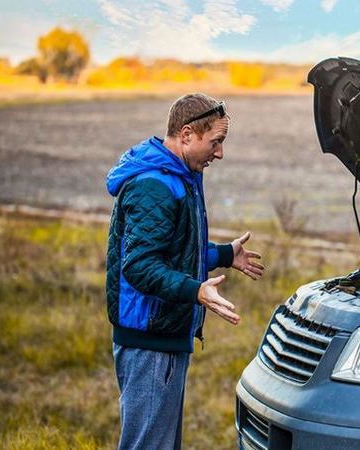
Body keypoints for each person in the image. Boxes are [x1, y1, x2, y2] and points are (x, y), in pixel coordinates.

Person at [104, 93, 264, 449]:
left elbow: (173, 252)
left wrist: (224, 254)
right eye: (216, 142)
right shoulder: (155, 185)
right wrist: (196, 290)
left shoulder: (178, 177)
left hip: (163, 335)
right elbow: (141, 267)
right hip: (150, 340)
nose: (220, 153)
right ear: (187, 134)